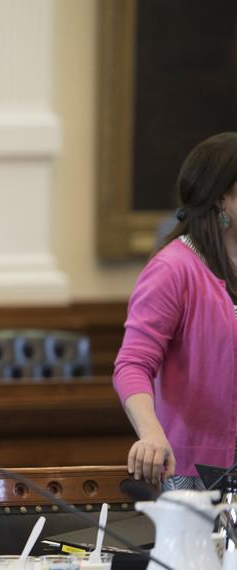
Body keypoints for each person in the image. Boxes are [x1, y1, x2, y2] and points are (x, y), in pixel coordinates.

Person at [114, 132, 237, 489]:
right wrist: (151, 433)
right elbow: (133, 364)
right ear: (221, 199)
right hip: (198, 474)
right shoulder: (173, 268)